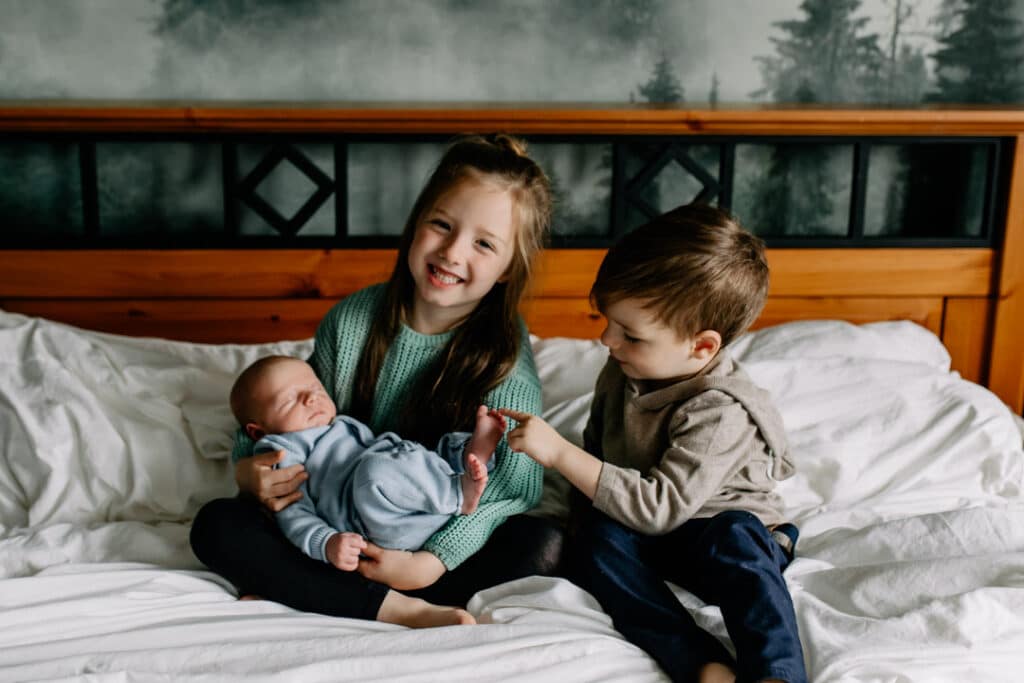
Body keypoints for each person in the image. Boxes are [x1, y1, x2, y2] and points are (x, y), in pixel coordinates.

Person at [190, 133, 561, 629]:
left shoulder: (504, 360)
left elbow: (510, 492)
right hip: (333, 529)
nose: (452, 252)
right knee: (218, 525)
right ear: (415, 225)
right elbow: (286, 406)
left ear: (507, 268)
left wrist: (428, 562)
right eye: (441, 225)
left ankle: (308, 589)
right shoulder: (352, 321)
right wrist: (248, 470)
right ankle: (389, 609)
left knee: (543, 546)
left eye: (484, 243)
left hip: (425, 544)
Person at [499, 203, 807, 683]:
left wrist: (558, 452)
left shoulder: (721, 410)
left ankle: (776, 671)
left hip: (712, 529)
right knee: (596, 544)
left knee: (739, 540)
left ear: (701, 347)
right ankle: (700, 661)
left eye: (630, 335)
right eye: (607, 321)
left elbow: (659, 506)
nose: (607, 341)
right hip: (654, 534)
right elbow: (600, 459)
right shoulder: (621, 371)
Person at [233, 354, 505, 564]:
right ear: (258, 432)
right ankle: (459, 491)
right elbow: (292, 513)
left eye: (315, 388)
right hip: (368, 519)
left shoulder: (338, 424)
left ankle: (472, 456)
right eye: (289, 400)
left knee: (419, 454)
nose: (310, 398)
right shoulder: (283, 451)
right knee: (377, 471)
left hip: (410, 501)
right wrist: (326, 543)